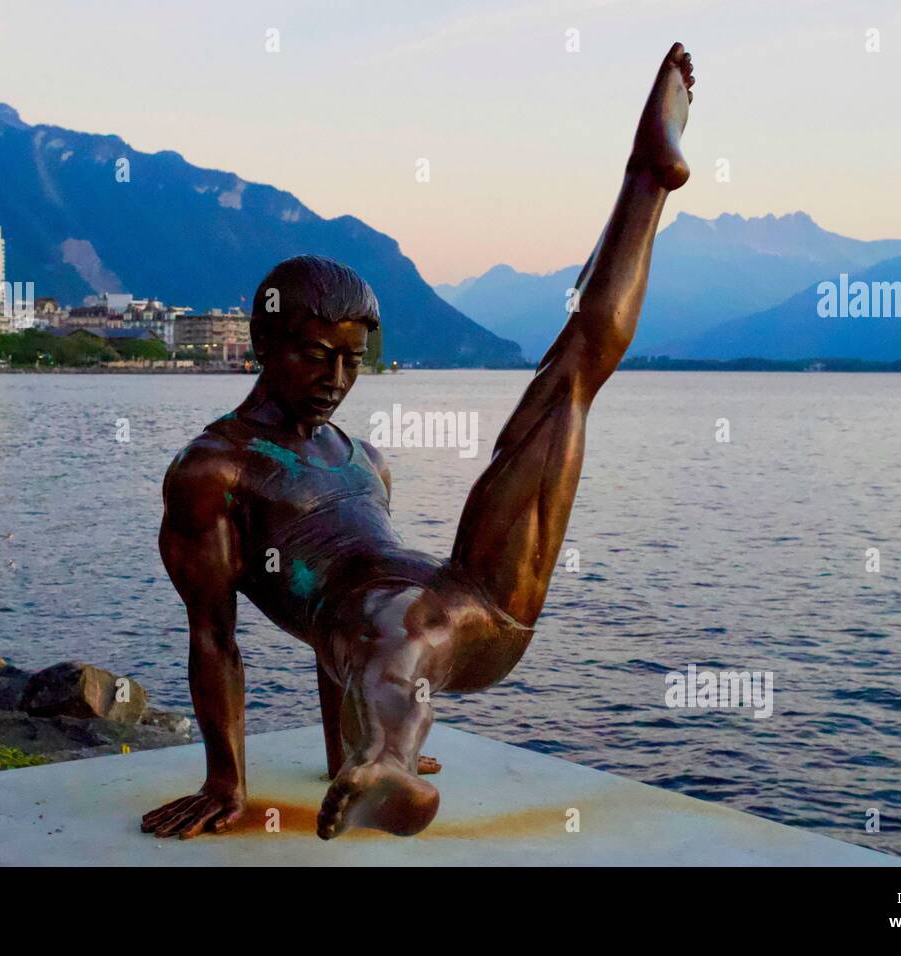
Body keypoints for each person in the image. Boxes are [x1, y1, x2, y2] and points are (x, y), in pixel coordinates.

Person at [143, 43, 695, 840]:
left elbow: (340, 653)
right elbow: (214, 635)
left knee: (571, 377)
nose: (336, 377)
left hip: (469, 604)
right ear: (264, 346)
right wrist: (226, 780)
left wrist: (347, 744)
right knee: (389, 626)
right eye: (314, 355)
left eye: (352, 359)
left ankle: (644, 184)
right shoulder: (213, 470)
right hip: (390, 629)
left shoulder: (366, 460)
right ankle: (390, 762)